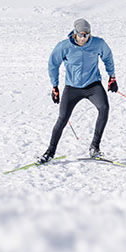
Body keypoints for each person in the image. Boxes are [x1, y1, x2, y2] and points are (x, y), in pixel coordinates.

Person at [38, 18, 117, 163]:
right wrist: (54, 87)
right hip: (72, 88)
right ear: (75, 34)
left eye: (86, 35)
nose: (83, 38)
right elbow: (53, 64)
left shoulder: (98, 43)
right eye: (81, 35)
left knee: (104, 108)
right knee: (62, 118)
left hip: (93, 86)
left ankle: (95, 147)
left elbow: (108, 57)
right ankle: (50, 151)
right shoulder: (64, 46)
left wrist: (112, 77)